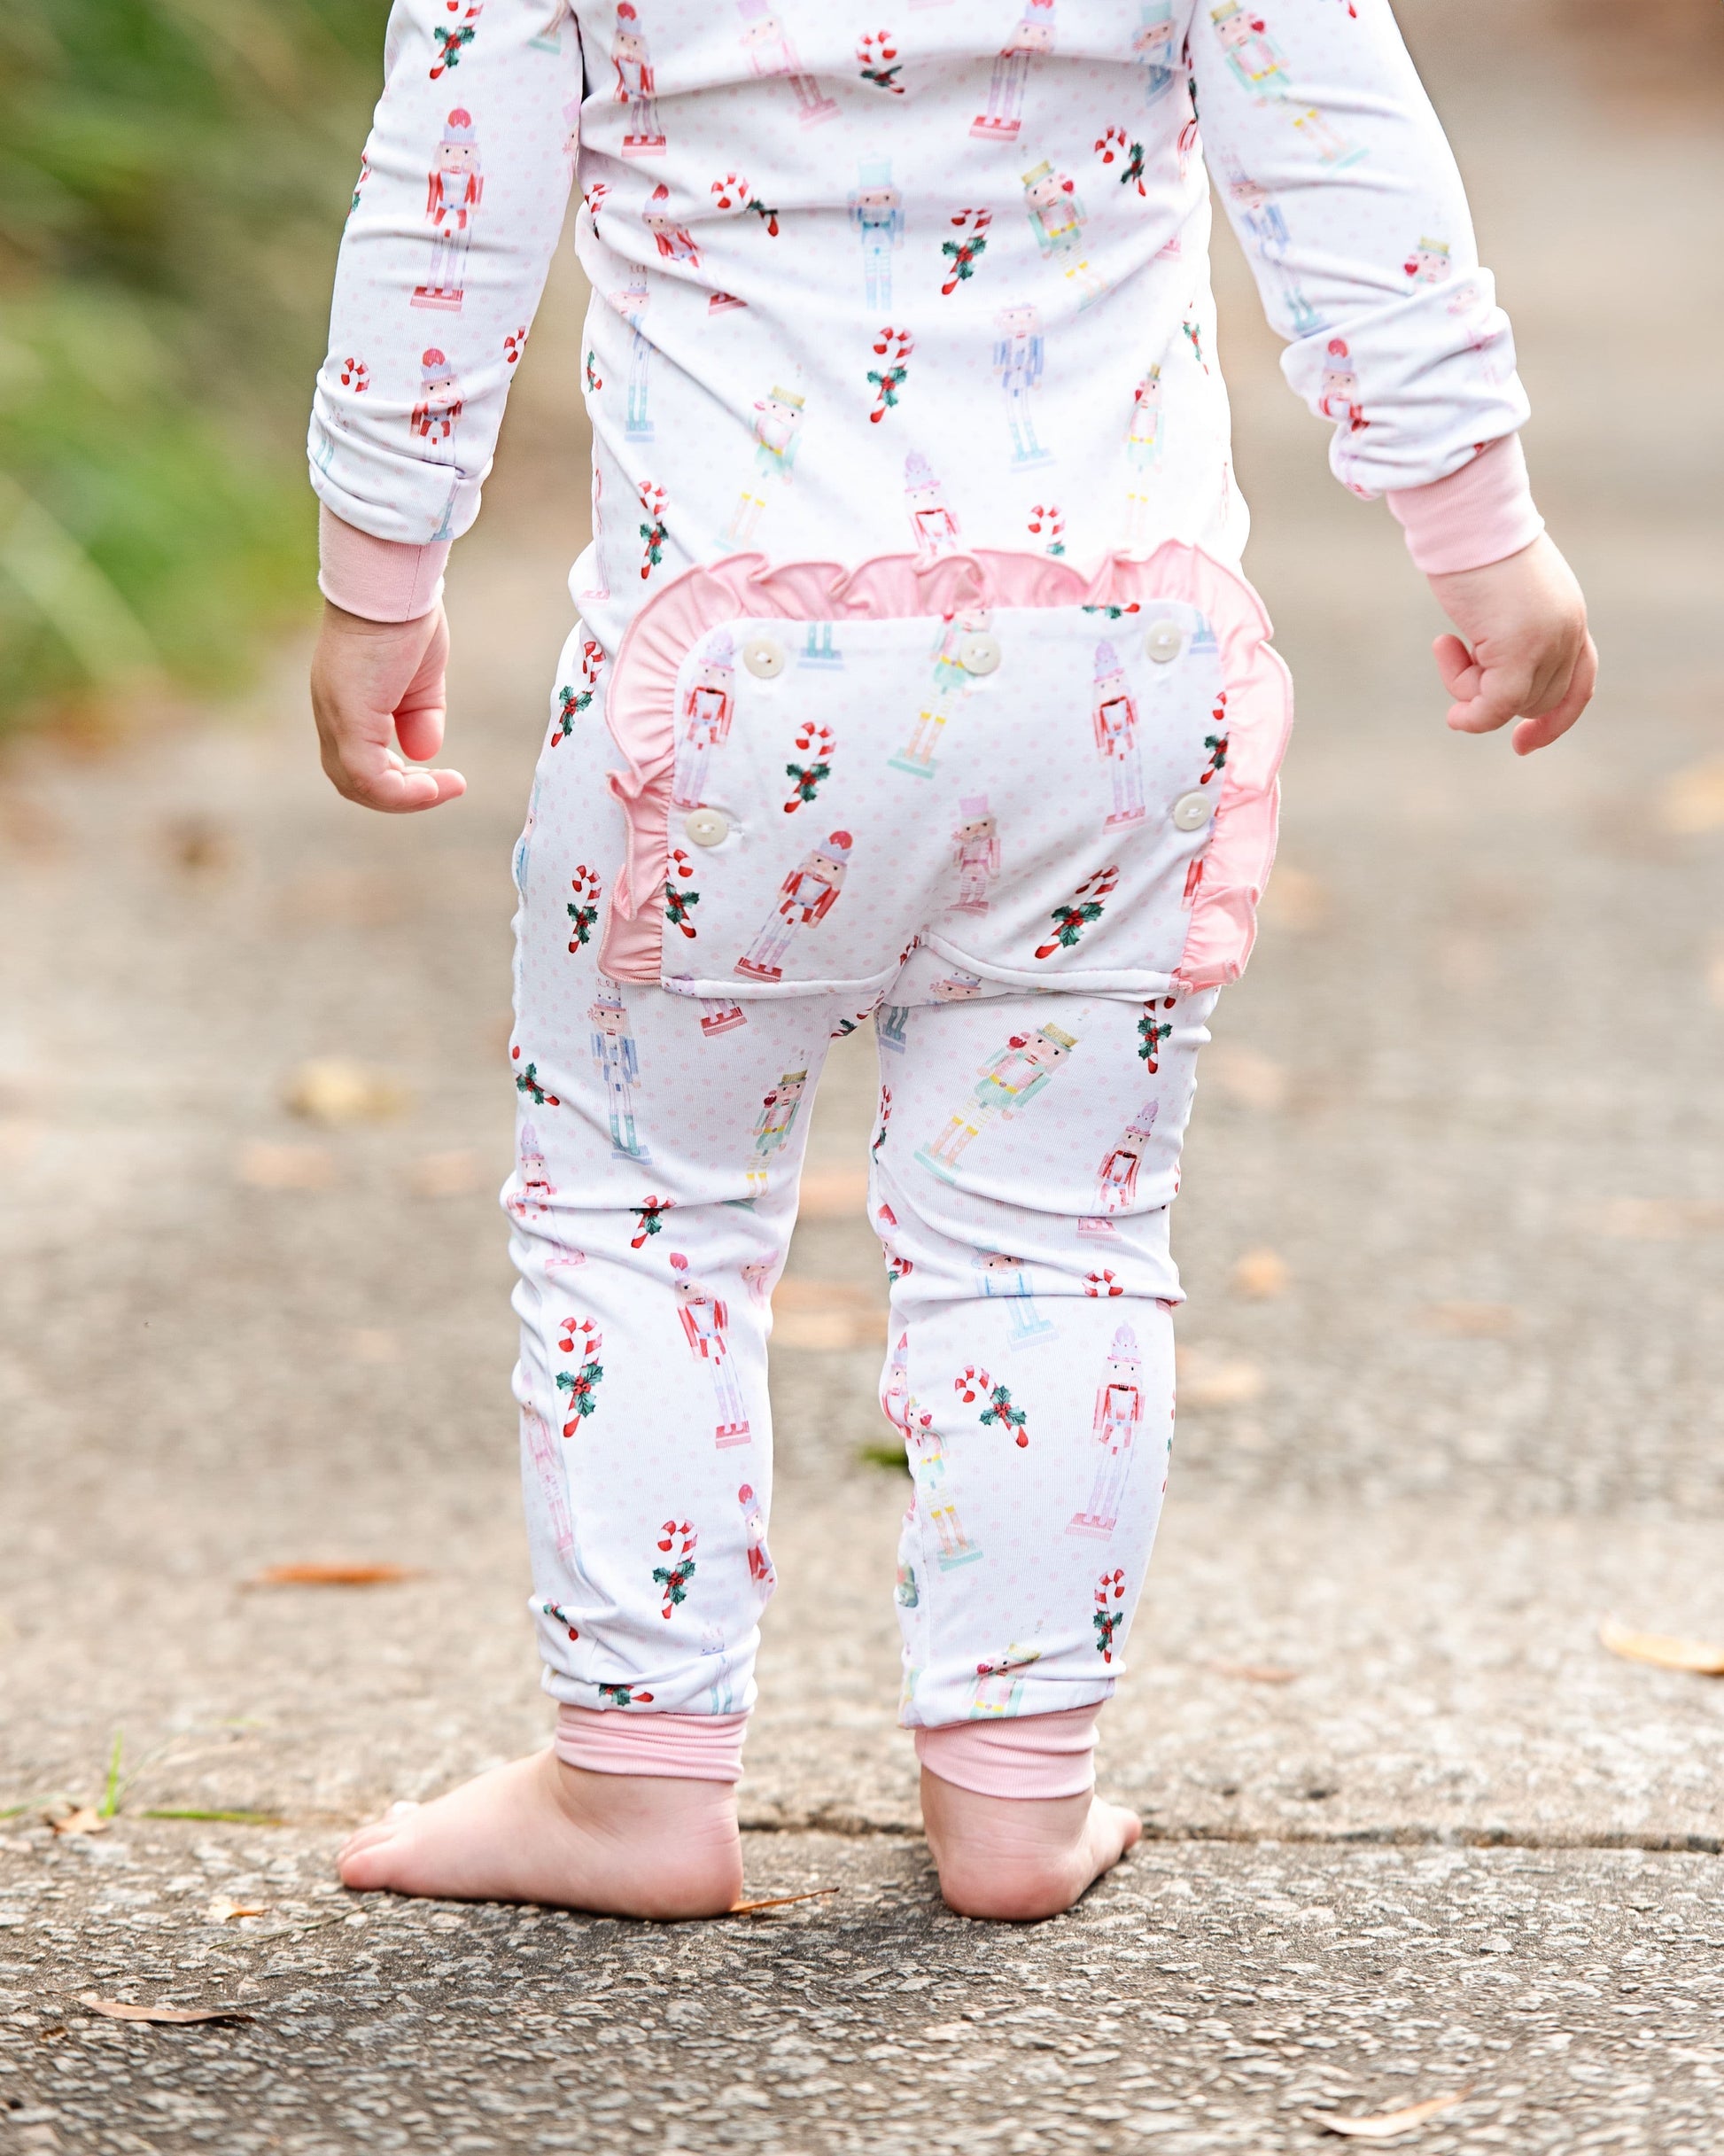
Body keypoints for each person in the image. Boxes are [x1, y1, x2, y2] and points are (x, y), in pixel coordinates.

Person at [307, 1, 1595, 1926]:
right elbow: (1347, 176)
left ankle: (632, 1779)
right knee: (1054, 1227)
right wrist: (1480, 532)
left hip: (725, 678)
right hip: (1119, 663)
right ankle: (1016, 1791)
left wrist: (376, 572)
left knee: (639, 1205)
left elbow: (445, 213)